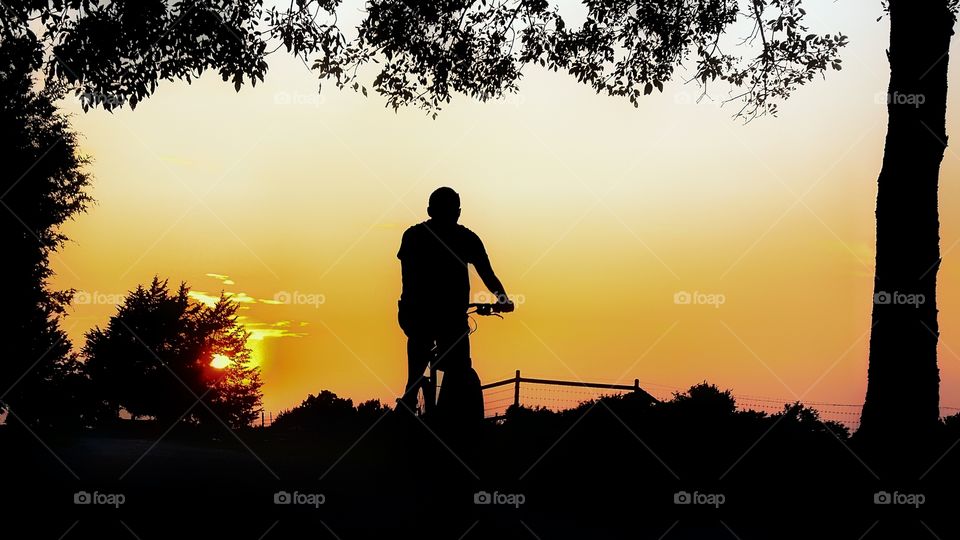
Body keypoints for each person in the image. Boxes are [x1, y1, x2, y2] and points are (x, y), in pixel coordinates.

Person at [396, 187, 513, 421]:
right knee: (457, 364)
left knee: (420, 346)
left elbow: (407, 277)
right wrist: (503, 300)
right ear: (458, 212)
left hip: (416, 312)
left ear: (429, 210)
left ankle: (410, 396)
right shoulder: (466, 238)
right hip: (443, 315)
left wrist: (415, 304)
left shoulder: (413, 235)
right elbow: (488, 275)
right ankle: (424, 401)